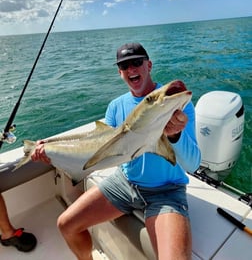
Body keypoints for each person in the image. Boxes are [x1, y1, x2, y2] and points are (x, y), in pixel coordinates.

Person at [32, 42, 201, 260]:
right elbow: (97, 143)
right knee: (66, 224)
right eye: (125, 66)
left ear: (148, 65)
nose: (131, 69)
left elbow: (193, 165)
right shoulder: (116, 106)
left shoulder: (179, 106)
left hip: (166, 191)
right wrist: (53, 146)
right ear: (120, 73)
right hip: (125, 183)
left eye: (137, 62)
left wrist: (175, 136)